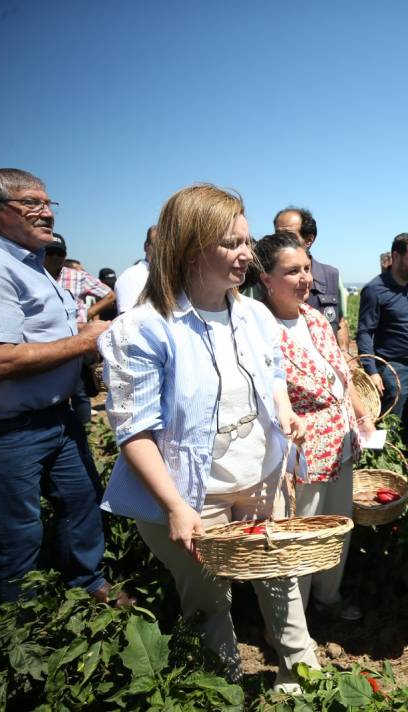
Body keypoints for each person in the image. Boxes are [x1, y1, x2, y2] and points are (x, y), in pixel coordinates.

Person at [98, 184, 317, 692]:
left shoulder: (254, 315)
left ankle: (302, 672)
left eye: (246, 241)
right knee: (207, 596)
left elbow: (273, 376)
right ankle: (222, 687)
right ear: (191, 246)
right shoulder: (144, 330)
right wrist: (176, 506)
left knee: (278, 573)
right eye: (231, 243)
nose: (247, 254)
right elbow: (134, 431)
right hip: (195, 494)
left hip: (259, 479)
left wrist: (285, 417)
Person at [0, 168, 113, 604]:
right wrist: (83, 342)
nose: (46, 213)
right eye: (31, 203)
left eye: (48, 203)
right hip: (5, 430)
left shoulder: (27, 261)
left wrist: (80, 341)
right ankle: (15, 626)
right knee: (17, 532)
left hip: (55, 418)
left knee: (80, 503)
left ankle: (87, 586)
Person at [256, 233, 375, 622]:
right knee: (301, 534)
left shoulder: (315, 319)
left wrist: (360, 414)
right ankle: (295, 620)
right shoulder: (259, 328)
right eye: (292, 271)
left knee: (337, 527)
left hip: (339, 445)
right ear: (266, 279)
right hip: (300, 454)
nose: (305, 278)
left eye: (306, 268)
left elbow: (341, 370)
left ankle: (329, 595)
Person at [357, 233, 408, 444]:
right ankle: (383, 464)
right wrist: (372, 370)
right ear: (396, 256)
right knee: (391, 422)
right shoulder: (375, 290)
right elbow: (365, 332)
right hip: (394, 368)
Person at [43, 233, 115, 424]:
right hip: (46, 343)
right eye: (50, 252)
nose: (55, 257)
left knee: (80, 391)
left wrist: (89, 314)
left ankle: (85, 432)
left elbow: (109, 295)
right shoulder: (31, 275)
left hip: (77, 342)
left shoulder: (77, 277)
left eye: (59, 253)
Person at [273, 208, 350, 350]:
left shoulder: (331, 275)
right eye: (278, 235)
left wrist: (344, 353)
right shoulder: (267, 277)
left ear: (309, 240)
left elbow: (339, 322)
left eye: (289, 235)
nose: (282, 241)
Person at [114, 225, 156, 314]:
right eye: (156, 245)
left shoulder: (173, 277)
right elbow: (127, 322)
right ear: (146, 246)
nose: (160, 250)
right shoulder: (131, 277)